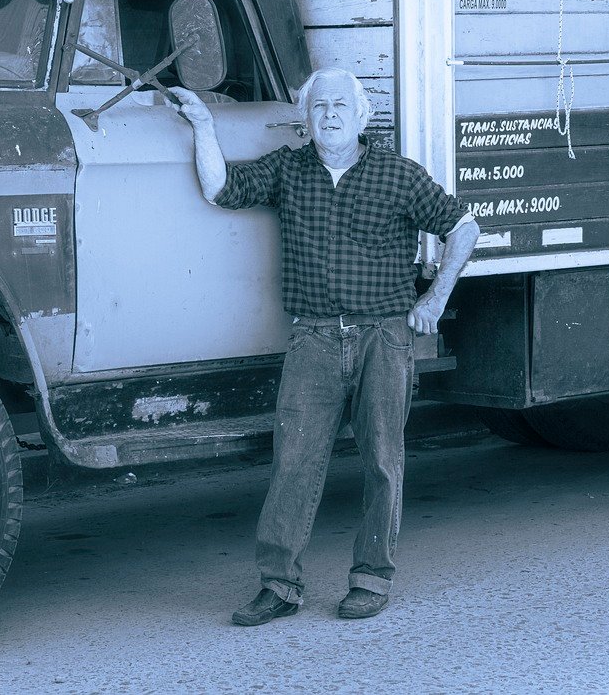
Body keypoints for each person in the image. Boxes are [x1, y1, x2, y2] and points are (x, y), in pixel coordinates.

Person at [171, 68, 480, 625]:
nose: (330, 115)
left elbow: (463, 226)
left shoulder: (398, 175)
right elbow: (221, 189)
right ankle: (279, 585)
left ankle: (371, 578)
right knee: (293, 462)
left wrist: (435, 298)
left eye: (340, 105)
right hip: (313, 336)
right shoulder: (288, 169)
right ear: (305, 117)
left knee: (382, 461)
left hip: (384, 335)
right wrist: (202, 124)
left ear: (362, 115)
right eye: (319, 106)